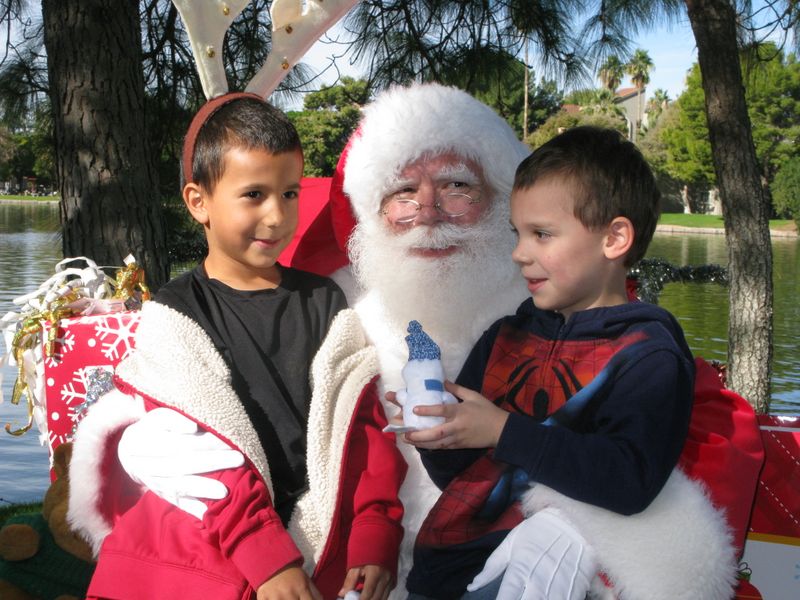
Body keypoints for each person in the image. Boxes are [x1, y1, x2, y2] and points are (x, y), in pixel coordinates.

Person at [94, 84, 760, 599]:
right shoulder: (341, 299)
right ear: (373, 211)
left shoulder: (573, 312)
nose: (429, 210)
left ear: (505, 201)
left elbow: (692, 446)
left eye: (458, 185)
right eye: (403, 190)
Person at [67, 93, 406, 600]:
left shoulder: (324, 302)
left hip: (321, 530)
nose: (277, 216)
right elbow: (200, 447)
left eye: (289, 193)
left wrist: (375, 533)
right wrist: (265, 557)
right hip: (216, 534)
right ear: (198, 201)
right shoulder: (176, 312)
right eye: (254, 195)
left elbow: (362, 429)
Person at [400, 126, 736, 599]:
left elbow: (629, 481)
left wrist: (502, 430)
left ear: (615, 238)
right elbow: (463, 480)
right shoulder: (504, 336)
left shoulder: (648, 355)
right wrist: (440, 434)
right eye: (517, 233)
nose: (519, 253)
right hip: (440, 576)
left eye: (542, 234)